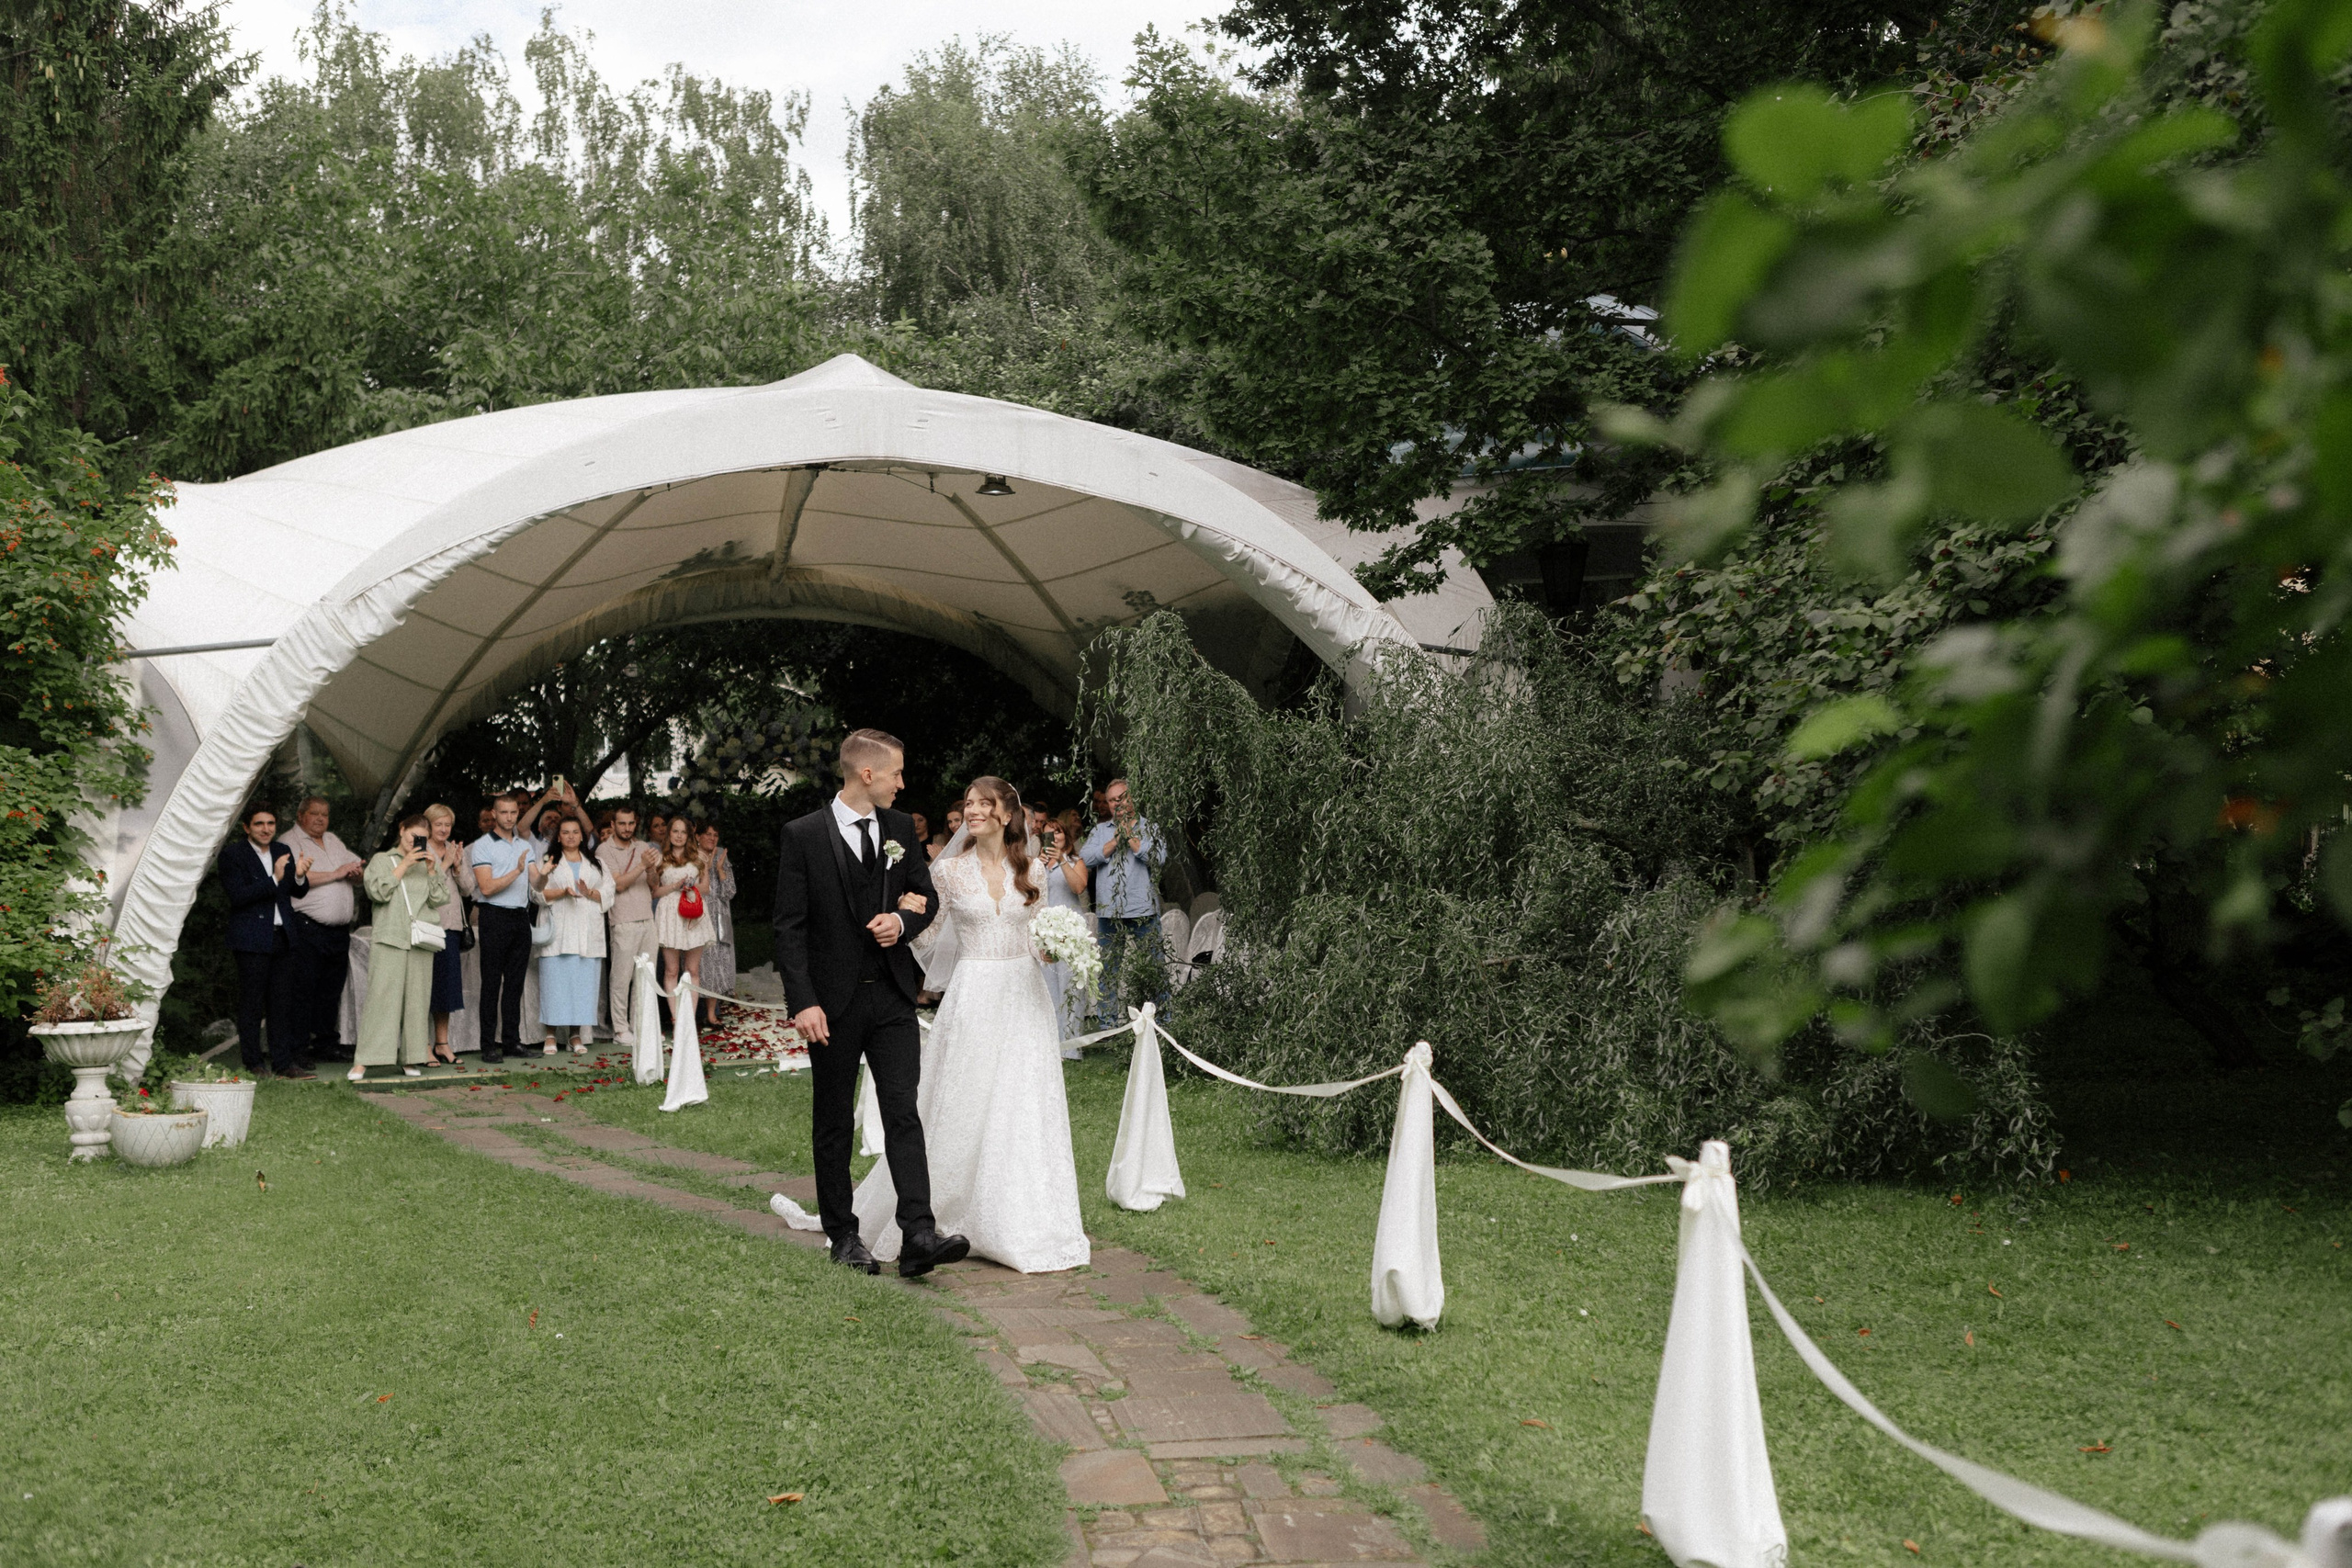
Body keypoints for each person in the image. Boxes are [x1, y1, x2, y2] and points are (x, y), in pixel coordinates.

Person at [854, 776, 1087, 1272]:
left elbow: (1037, 940)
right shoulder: (950, 873)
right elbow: (928, 935)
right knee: (964, 1096)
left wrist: (1055, 946)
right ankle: (939, 1211)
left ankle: (1020, 1217)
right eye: (969, 804)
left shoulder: (1034, 872)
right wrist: (902, 914)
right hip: (975, 992)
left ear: (1006, 814)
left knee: (1022, 1099)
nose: (974, 811)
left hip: (1025, 995)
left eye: (985, 804)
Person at [771, 728, 967, 1278]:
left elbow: (925, 899)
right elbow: (789, 929)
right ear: (866, 774)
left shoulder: (901, 829)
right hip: (829, 1006)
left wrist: (902, 921)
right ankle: (843, 1235)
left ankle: (919, 1235)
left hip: (891, 997)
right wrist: (803, 1002)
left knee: (903, 1111)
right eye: (897, 773)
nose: (903, 785)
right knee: (833, 1118)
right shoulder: (803, 834)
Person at [216, 801, 317, 1079]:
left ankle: (284, 1063)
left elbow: (297, 892)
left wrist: (298, 876)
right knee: (251, 1004)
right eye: (259, 824)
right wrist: (274, 878)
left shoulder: (282, 850)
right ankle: (254, 1063)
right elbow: (238, 896)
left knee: (281, 1004)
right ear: (247, 827)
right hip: (250, 940)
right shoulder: (232, 855)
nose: (266, 829)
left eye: (270, 823)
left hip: (283, 937)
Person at [353, 813, 449, 1082]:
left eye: (422, 838)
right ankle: (364, 1061)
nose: (415, 842)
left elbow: (441, 898)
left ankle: (411, 1058)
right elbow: (377, 892)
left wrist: (431, 870)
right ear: (402, 830)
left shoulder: (429, 863)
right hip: (390, 937)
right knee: (381, 1000)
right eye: (412, 836)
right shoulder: (382, 860)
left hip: (420, 941)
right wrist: (404, 864)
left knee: (417, 1002)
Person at [281, 795, 365, 1065]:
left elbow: (357, 866)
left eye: (325, 815)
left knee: (331, 990)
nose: (320, 819)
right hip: (307, 927)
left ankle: (325, 1044)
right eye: (314, 814)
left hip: (338, 931)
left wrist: (355, 874)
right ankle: (298, 1047)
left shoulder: (333, 840)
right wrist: (337, 873)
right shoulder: (288, 842)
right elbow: (294, 878)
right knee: (304, 989)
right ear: (300, 815)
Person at [1080, 777, 1169, 1026]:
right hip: (1110, 912)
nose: (1117, 803)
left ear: (1132, 798)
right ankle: (1109, 1027)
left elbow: (1158, 857)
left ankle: (1160, 1023)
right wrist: (1113, 842)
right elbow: (1085, 859)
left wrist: (1131, 837)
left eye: (1122, 797)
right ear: (1107, 804)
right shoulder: (1100, 831)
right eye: (1112, 800)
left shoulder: (1149, 827)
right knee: (1108, 972)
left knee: (1153, 969)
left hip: (1143, 910)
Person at [532, 815, 613, 1055]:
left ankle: (575, 1036)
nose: (570, 836)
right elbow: (535, 893)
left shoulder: (596, 863)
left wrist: (590, 893)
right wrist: (562, 892)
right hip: (558, 933)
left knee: (582, 986)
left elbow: (610, 891)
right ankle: (550, 1035)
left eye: (575, 832)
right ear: (559, 836)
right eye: (565, 832)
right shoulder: (549, 859)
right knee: (554, 985)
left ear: (582, 836)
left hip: (587, 933)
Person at [468, 793, 536, 1064]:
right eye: (504, 812)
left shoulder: (524, 844)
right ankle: (487, 1045)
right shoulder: (482, 846)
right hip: (494, 916)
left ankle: (512, 1041)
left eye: (513, 812)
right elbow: (486, 887)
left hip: (521, 917)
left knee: (515, 984)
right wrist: (517, 871)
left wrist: (545, 874)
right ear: (494, 815)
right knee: (491, 983)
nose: (509, 817)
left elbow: (537, 883)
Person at [596, 804, 661, 1050]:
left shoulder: (643, 847)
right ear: (612, 825)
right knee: (621, 978)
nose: (626, 828)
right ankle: (621, 1029)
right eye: (621, 823)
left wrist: (652, 867)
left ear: (636, 824)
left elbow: (654, 885)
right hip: (622, 920)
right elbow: (618, 885)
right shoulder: (604, 849)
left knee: (645, 977)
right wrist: (642, 865)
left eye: (630, 823)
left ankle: (640, 1025)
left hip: (647, 917)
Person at [421, 804, 473, 1066]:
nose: (443, 829)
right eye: (438, 824)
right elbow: (423, 887)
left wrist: (458, 865)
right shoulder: (421, 850)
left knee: (446, 989)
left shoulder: (453, 850)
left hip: (451, 928)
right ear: (428, 826)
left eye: (447, 825)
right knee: (425, 989)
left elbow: (468, 890)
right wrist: (445, 862)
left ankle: (443, 1043)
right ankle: (423, 1046)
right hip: (428, 926)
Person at [1040, 807, 1092, 1048]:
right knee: (1047, 989)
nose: (1054, 837)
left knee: (1071, 987)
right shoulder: (1036, 865)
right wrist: (1036, 869)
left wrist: (1061, 859)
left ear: (1065, 837)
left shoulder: (1075, 861)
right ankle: (1050, 1044)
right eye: (1048, 834)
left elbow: (1079, 887)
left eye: (1058, 833)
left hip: (1070, 933)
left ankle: (1071, 1046)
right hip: (1044, 934)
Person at [652, 815, 714, 1008]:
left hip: (693, 911)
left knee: (692, 970)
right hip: (669, 912)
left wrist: (689, 887)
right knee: (671, 970)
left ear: (689, 835)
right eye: (675, 831)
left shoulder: (699, 858)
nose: (679, 836)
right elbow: (655, 892)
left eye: (683, 832)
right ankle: (676, 1018)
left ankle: (690, 1017)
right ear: (669, 833)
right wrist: (675, 886)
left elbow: (706, 888)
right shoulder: (659, 858)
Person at [695, 821, 736, 1030]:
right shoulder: (691, 856)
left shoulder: (721, 855)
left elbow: (729, 892)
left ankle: (711, 1015)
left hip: (720, 916)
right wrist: (706, 867)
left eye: (715, 835)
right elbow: (696, 888)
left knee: (717, 964)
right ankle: (694, 1014)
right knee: (698, 964)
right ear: (698, 836)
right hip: (698, 915)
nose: (712, 838)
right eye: (708, 834)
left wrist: (720, 870)